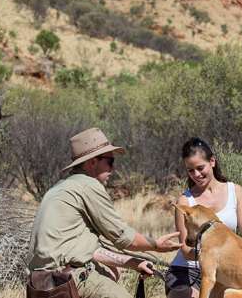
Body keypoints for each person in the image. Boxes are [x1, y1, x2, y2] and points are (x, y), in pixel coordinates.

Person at [28, 127, 181, 298]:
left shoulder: (60, 188)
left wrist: (133, 263)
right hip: (69, 279)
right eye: (109, 162)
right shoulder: (88, 185)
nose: (112, 169)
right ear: (92, 162)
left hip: (40, 284)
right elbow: (123, 237)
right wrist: (156, 245)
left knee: (108, 275)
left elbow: (90, 251)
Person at [165, 137, 242, 298]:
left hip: (225, 269)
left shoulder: (235, 191)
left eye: (200, 168)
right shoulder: (185, 201)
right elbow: (186, 249)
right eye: (190, 170)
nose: (196, 174)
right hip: (189, 269)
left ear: (212, 162)